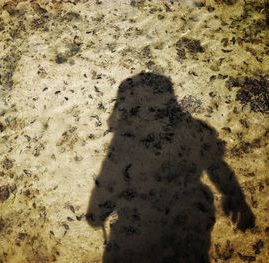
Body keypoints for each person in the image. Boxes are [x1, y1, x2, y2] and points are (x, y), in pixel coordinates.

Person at [86, 72, 255, 263]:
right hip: (189, 219)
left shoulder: (127, 140)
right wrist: (235, 198)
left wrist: (96, 213)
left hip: (139, 228)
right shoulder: (194, 130)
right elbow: (217, 167)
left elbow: (110, 181)